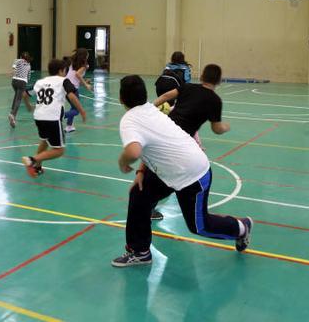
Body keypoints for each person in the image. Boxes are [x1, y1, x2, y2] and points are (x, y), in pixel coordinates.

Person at [111, 75, 252, 268]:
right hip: (171, 170)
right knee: (139, 195)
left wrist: (122, 163)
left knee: (199, 226)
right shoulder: (150, 109)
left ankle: (242, 227)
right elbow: (149, 145)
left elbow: (134, 151)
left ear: (121, 99)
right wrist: (140, 173)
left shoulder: (130, 120)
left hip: (192, 174)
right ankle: (140, 251)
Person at [150, 64, 231, 220]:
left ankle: (149, 204)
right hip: (180, 142)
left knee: (158, 170)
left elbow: (166, 96)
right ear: (219, 81)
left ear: (201, 76)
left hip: (165, 131)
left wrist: (152, 107)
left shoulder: (187, 87)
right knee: (172, 174)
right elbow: (217, 129)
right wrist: (226, 127)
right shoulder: (214, 100)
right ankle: (152, 206)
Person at [21, 58, 86, 178]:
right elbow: (71, 96)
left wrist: (29, 106)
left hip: (39, 117)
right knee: (59, 150)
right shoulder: (63, 81)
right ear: (61, 70)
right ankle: (32, 160)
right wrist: (82, 111)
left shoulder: (40, 82)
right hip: (52, 118)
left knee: (45, 141)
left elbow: (24, 94)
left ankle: (37, 166)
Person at [63, 48, 94, 133]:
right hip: (72, 89)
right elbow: (77, 75)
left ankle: (69, 126)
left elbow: (73, 77)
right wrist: (86, 85)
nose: (88, 56)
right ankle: (60, 116)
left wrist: (84, 81)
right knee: (76, 110)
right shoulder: (84, 65)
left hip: (65, 86)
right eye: (87, 55)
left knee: (73, 107)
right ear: (84, 56)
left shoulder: (72, 63)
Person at [8, 52, 35, 128]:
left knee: (16, 96)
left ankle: (11, 112)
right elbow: (28, 77)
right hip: (22, 82)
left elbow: (14, 68)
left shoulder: (17, 60)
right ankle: (13, 115)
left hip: (14, 81)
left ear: (21, 57)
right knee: (18, 99)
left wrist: (13, 73)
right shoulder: (29, 65)